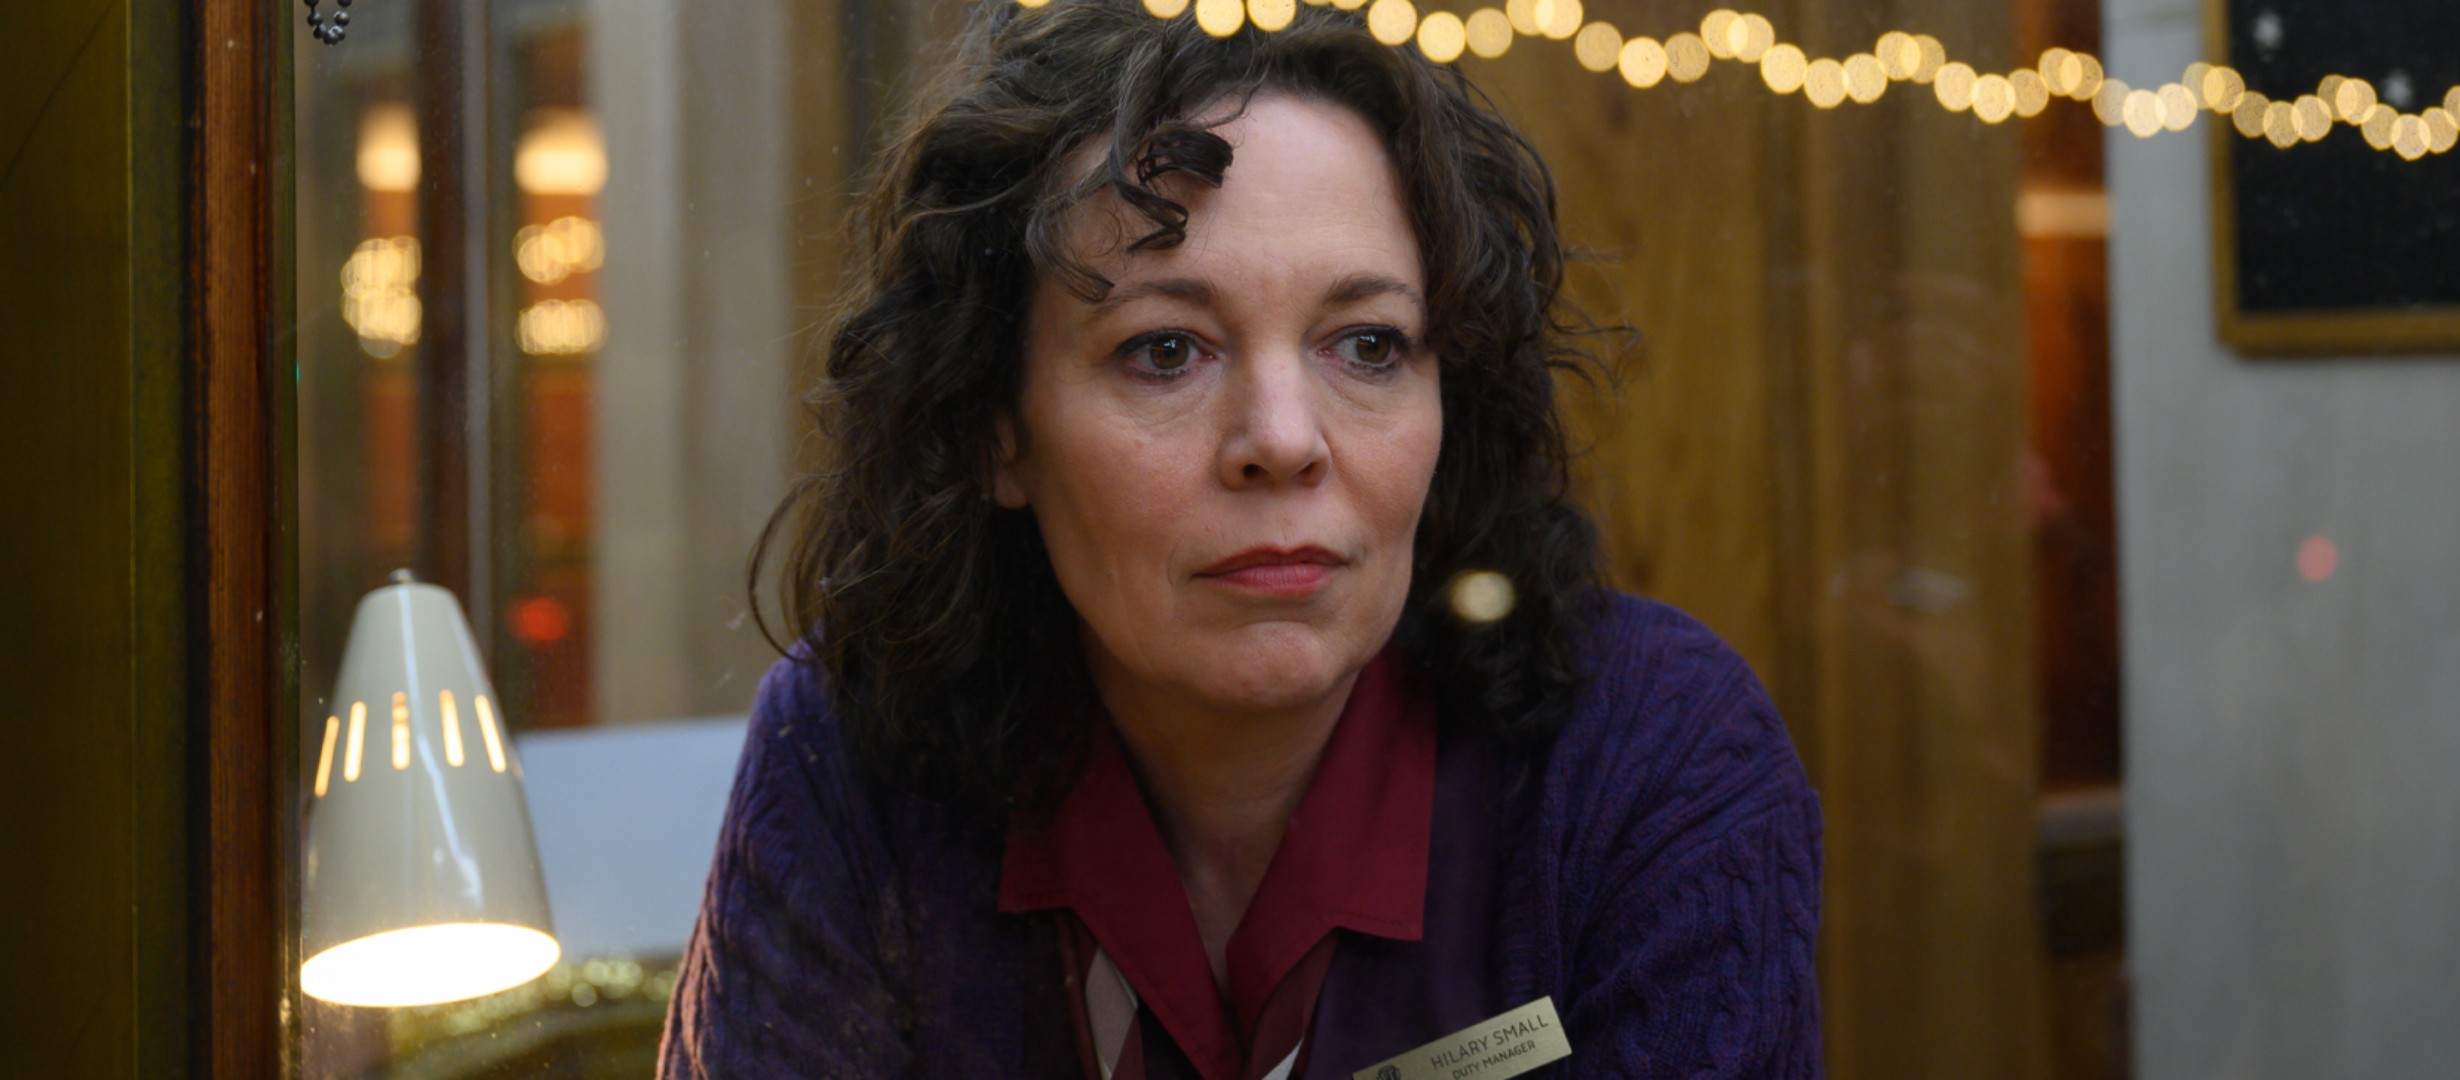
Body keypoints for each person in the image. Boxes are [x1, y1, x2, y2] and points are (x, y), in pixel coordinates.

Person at [660, 2, 1820, 1076]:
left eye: (1368, 345)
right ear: (996, 428)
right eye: (1165, 350)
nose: (1283, 439)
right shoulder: (854, 750)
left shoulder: (1657, 757)